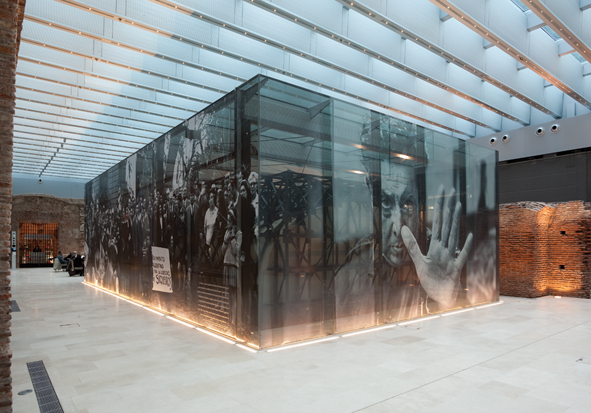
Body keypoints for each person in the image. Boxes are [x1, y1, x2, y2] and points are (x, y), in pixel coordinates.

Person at [335, 114, 473, 330]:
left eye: (407, 204)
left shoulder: (442, 260)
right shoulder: (350, 275)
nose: (399, 227)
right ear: (371, 194)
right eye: (386, 203)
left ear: (420, 200)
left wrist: (445, 302)